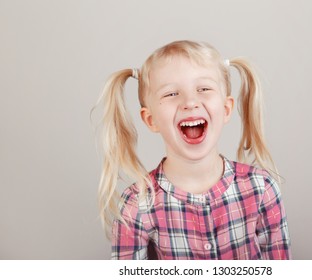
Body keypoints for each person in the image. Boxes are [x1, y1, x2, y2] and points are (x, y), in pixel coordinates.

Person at [96, 40, 291, 260]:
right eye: (171, 94)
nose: (190, 102)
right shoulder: (136, 205)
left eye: (204, 89)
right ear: (151, 120)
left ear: (226, 109)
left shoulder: (261, 189)